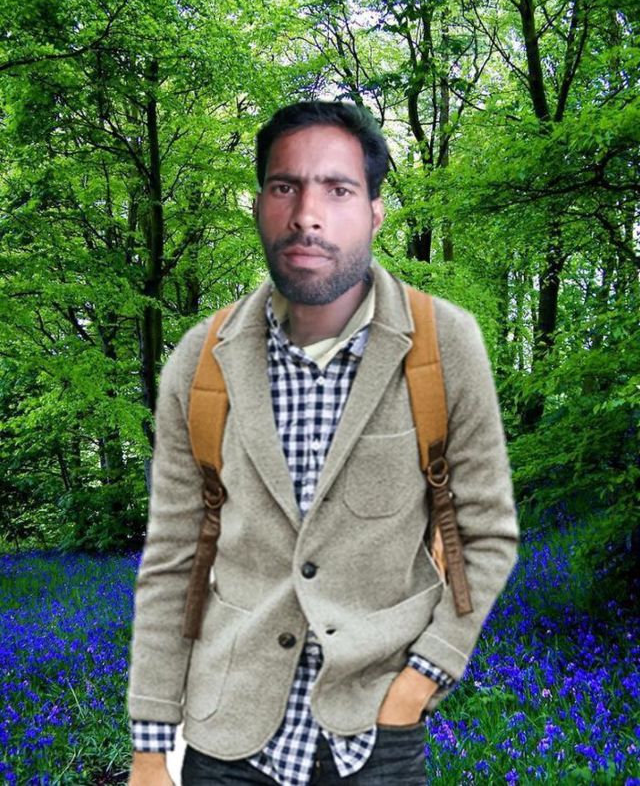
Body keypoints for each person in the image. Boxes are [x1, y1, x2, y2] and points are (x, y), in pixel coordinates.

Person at [127, 101, 519, 786]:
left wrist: (419, 682)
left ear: (375, 212)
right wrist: (151, 749)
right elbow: (172, 560)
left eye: (338, 189)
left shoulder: (443, 344)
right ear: (259, 206)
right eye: (286, 186)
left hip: (375, 735)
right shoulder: (202, 358)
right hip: (227, 736)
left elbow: (487, 535)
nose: (308, 214)